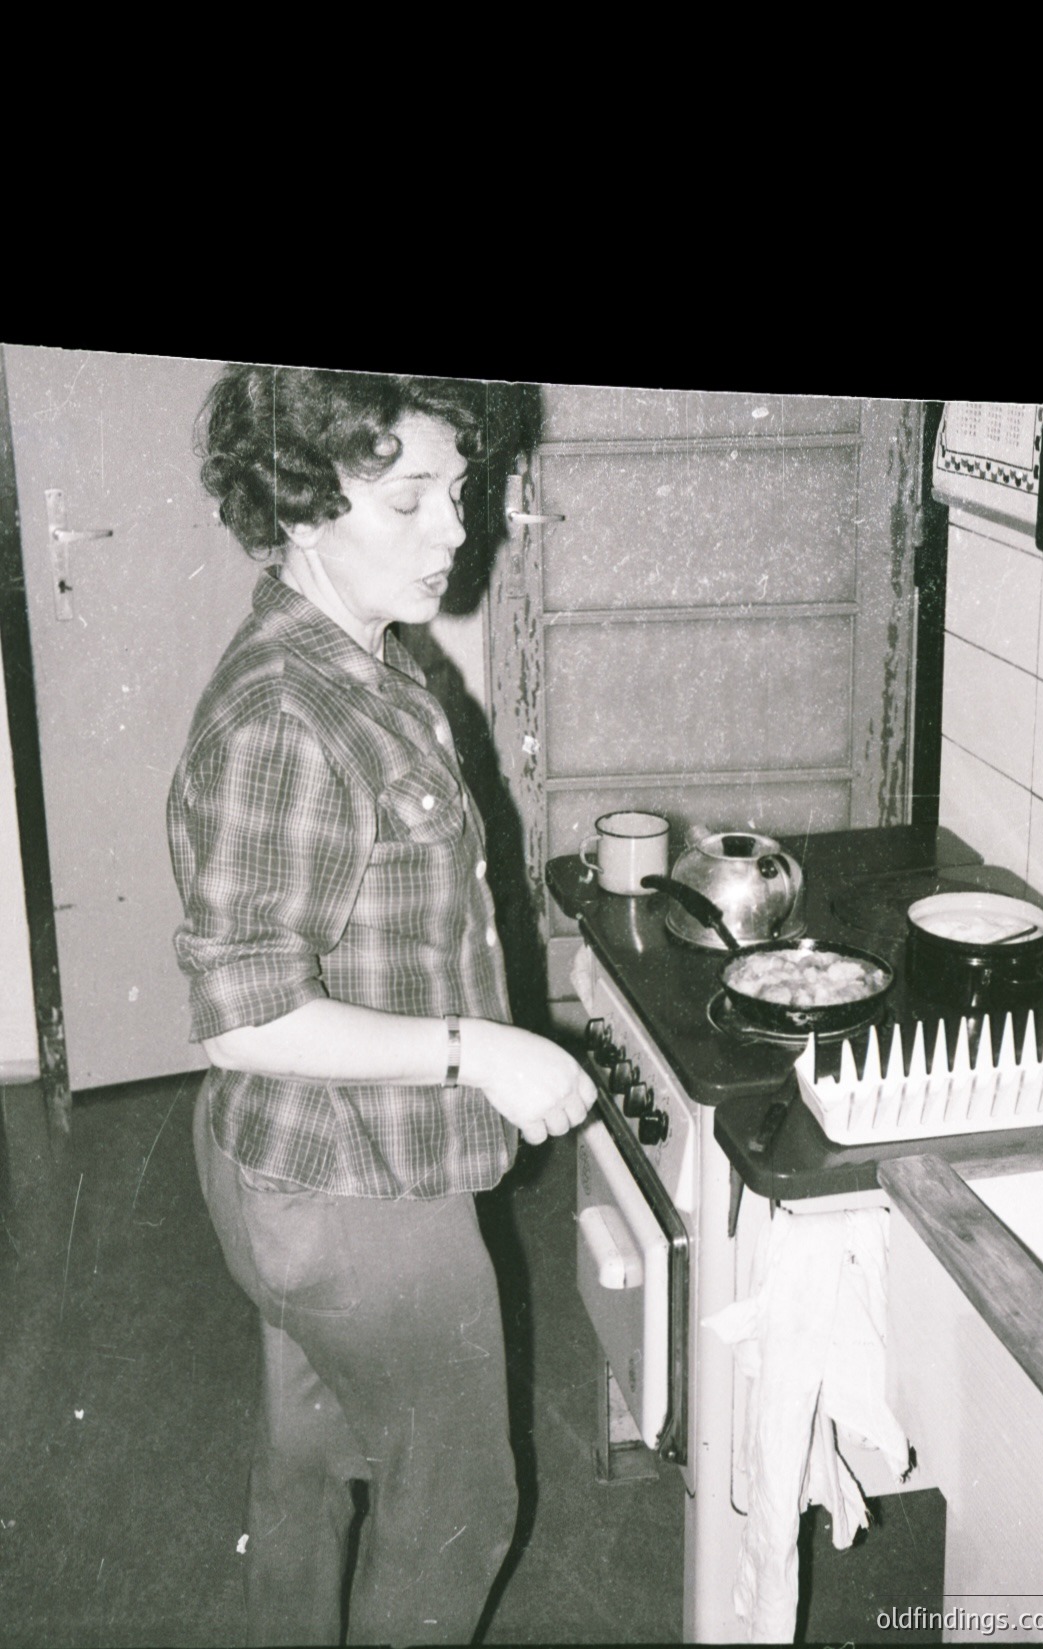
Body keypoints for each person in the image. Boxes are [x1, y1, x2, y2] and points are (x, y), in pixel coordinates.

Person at [166, 363, 596, 1648]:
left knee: (311, 1467)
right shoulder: (286, 711)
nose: (456, 529)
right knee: (459, 1498)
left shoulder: (362, 660)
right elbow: (240, 1011)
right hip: (357, 1193)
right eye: (406, 499)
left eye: (457, 492)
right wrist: (487, 1050)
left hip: (301, 1165)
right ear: (301, 507)